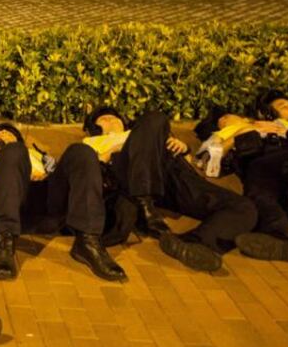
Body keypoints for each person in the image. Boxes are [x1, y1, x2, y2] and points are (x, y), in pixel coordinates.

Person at [83, 107, 257, 273]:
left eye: (114, 117)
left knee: (244, 206)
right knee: (155, 118)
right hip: (131, 175)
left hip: (173, 175)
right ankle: (145, 203)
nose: (111, 120)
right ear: (94, 128)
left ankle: (193, 243)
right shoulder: (92, 143)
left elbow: (199, 167)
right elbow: (95, 169)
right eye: (104, 119)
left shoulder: (144, 131)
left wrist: (184, 150)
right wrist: (116, 148)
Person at [0, 123, 126, 282]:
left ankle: (88, 241)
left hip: (49, 197)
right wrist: (5, 182)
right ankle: (4, 242)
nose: (4, 134)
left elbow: (64, 174)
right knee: (12, 151)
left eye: (9, 132)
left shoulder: (36, 154)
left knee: (81, 151)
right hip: (17, 203)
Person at [194, 106, 288, 261]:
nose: (224, 120)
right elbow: (207, 160)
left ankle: (276, 234)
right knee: (259, 191)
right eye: (221, 122)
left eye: (227, 117)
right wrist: (237, 137)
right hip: (265, 162)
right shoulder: (219, 135)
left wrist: (285, 132)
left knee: (258, 187)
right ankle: (283, 241)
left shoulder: (277, 124)